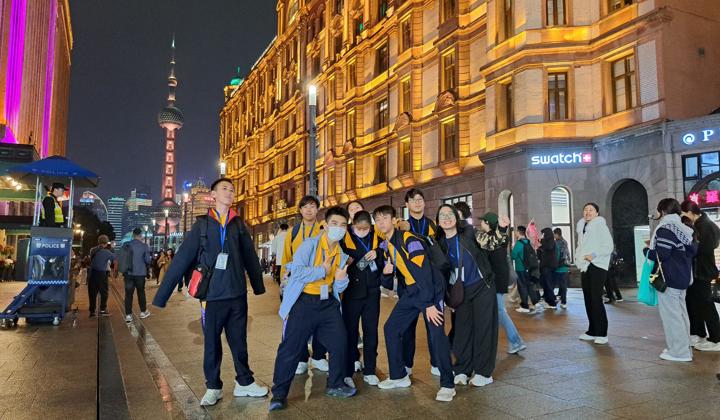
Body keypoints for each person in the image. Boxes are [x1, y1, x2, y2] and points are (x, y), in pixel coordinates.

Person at [152, 178, 268, 406]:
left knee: (239, 342)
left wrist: (258, 286)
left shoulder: (238, 224)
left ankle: (245, 382)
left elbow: (250, 256)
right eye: (224, 189)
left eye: (232, 189)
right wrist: (162, 296)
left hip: (237, 294)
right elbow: (182, 258)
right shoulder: (202, 225)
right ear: (213, 195)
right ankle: (213, 386)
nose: (230, 192)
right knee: (212, 344)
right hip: (212, 297)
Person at [269, 206, 355, 411]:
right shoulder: (309, 245)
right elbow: (297, 272)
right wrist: (321, 270)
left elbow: (338, 287)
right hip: (304, 302)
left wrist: (342, 280)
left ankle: (335, 384)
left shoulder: (341, 254)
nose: (339, 228)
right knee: (291, 348)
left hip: (328, 304)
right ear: (325, 225)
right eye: (335, 223)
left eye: (343, 225)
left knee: (339, 342)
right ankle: (279, 395)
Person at [373, 205, 455, 402]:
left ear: (394, 220)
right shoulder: (386, 246)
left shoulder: (409, 239)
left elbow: (424, 271)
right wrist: (385, 273)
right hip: (411, 293)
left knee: (436, 335)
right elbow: (388, 283)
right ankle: (399, 376)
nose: (381, 223)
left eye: (385, 218)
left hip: (430, 291)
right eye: (378, 220)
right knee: (391, 328)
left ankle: (448, 384)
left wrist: (429, 304)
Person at [436, 205, 497, 387]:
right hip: (460, 292)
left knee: (483, 329)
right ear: (438, 221)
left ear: (457, 218)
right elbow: (441, 273)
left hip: (482, 287)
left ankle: (483, 372)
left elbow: (491, 243)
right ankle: (462, 369)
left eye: (450, 214)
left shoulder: (470, 233)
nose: (446, 217)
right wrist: (447, 297)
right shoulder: (439, 243)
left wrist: (501, 229)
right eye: (442, 215)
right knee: (462, 331)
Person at [280, 195, 329, 374]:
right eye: (305, 207)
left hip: (320, 280)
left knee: (321, 320)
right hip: (298, 283)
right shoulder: (293, 232)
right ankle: (301, 357)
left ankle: (319, 356)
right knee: (298, 322)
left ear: (317, 209)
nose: (309, 210)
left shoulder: (324, 229)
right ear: (300, 210)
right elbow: (286, 258)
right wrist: (283, 282)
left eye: (312, 206)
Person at [647, 198, 697, 362]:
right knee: (681, 315)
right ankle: (683, 347)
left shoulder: (666, 228)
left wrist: (647, 251)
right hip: (683, 278)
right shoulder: (684, 228)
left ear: (662, 211)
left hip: (670, 279)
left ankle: (679, 352)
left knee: (672, 317)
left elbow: (662, 254)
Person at [340, 210, 384, 386]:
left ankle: (370, 369)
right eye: (359, 229)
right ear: (353, 226)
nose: (362, 232)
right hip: (351, 293)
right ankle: (350, 366)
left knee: (371, 331)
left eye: (366, 229)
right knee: (350, 331)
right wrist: (348, 261)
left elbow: (384, 259)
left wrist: (378, 254)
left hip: (372, 292)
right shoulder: (344, 239)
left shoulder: (377, 239)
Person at [399, 188, 439, 376]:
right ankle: (406, 365)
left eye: (420, 199)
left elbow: (435, 248)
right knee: (408, 327)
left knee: (433, 325)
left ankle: (436, 363)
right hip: (408, 284)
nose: (417, 202)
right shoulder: (400, 226)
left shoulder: (432, 225)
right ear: (407, 204)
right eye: (413, 200)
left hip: (430, 282)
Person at [477, 212, 525, 353]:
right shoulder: (500, 237)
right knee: (496, 311)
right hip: (499, 279)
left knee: (499, 311)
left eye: (482, 221)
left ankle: (516, 341)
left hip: (495, 280)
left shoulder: (491, 238)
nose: (480, 223)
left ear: (487, 223)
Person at [680, 200, 720, 351]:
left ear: (690, 213)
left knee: (706, 304)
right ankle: (699, 334)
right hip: (698, 271)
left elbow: (701, 249)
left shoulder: (704, 226)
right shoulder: (701, 224)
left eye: (683, 213)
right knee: (695, 303)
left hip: (702, 271)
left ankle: (716, 339)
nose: (682, 217)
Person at [575, 203, 614, 345]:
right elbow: (580, 246)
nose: (588, 212)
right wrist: (578, 258)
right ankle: (592, 331)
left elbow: (609, 246)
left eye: (591, 210)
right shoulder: (582, 227)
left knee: (596, 298)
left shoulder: (600, 226)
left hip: (598, 265)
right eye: (585, 209)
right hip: (585, 265)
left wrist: (594, 255)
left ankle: (602, 333)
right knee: (588, 298)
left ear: (597, 213)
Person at [123, 228, 153, 322]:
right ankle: (143, 312)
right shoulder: (144, 246)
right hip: (140, 273)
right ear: (141, 235)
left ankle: (128, 315)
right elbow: (148, 260)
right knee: (141, 292)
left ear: (133, 235)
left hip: (128, 273)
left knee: (128, 294)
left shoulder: (126, 245)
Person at [511, 226, 540, 313]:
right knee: (530, 285)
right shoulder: (528, 242)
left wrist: (512, 250)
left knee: (522, 287)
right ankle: (535, 302)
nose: (515, 233)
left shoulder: (519, 243)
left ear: (519, 232)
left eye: (516, 231)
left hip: (521, 269)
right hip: (529, 268)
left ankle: (525, 307)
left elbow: (513, 256)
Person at [88, 235, 116, 317]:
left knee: (92, 293)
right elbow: (114, 257)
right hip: (102, 274)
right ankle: (102, 310)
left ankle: (92, 311)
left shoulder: (92, 250)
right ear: (106, 243)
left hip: (92, 273)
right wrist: (112, 248)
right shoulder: (106, 252)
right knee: (104, 292)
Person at [538, 228, 558, 309]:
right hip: (545, 266)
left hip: (548, 266)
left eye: (543, 234)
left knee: (548, 284)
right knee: (545, 284)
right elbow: (542, 252)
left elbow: (549, 247)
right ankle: (548, 300)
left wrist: (541, 240)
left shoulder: (551, 241)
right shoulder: (546, 242)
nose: (541, 235)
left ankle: (552, 303)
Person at [553, 228, 571, 309]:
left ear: (557, 234)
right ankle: (561, 299)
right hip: (562, 267)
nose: (554, 236)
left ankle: (563, 301)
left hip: (560, 267)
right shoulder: (563, 242)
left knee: (561, 285)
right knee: (562, 285)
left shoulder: (559, 243)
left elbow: (561, 256)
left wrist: (555, 264)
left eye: (554, 234)